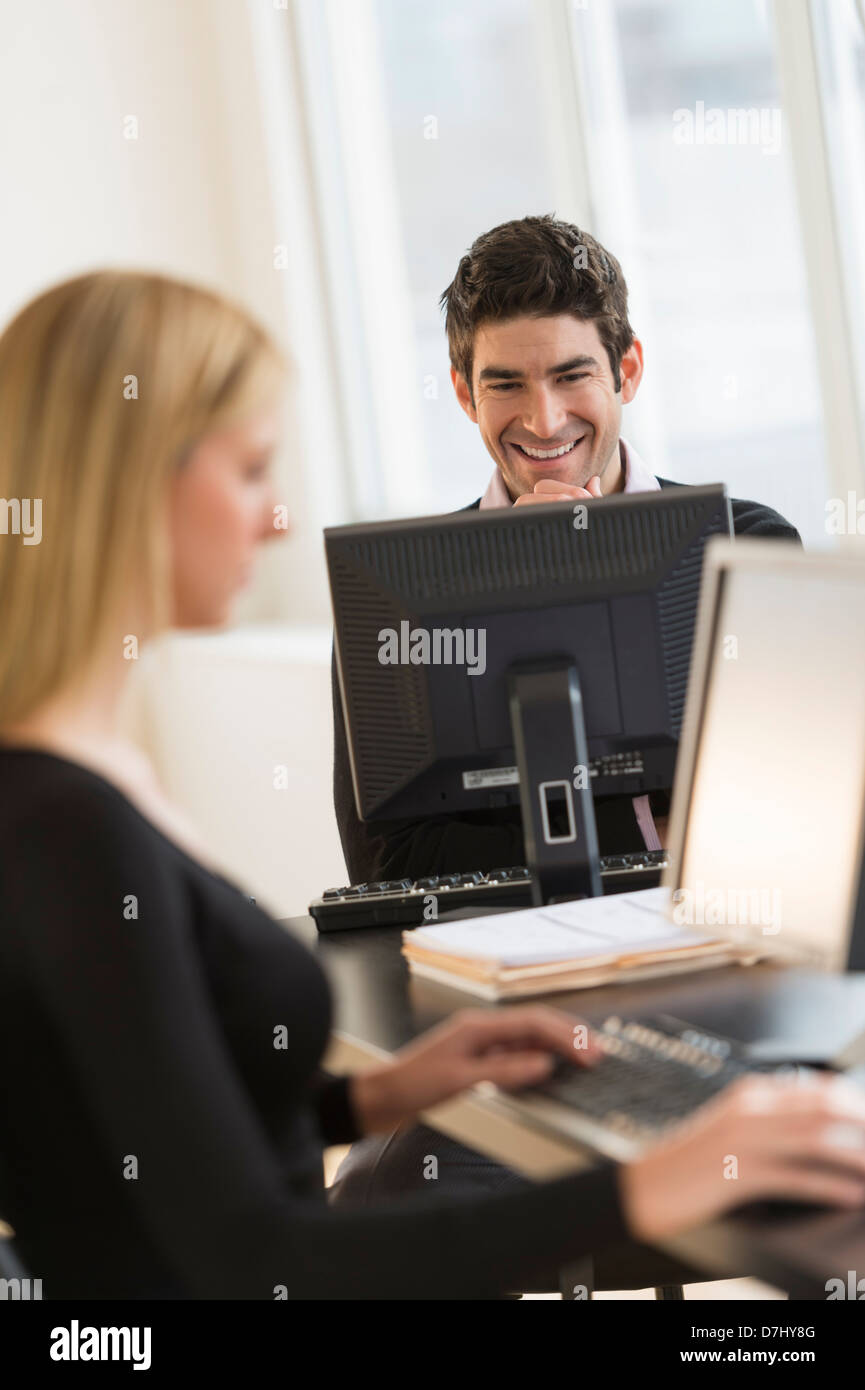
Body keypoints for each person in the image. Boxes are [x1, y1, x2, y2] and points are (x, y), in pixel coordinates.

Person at [1, 271, 863, 1302]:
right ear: (132, 480)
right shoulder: (64, 824)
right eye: (250, 470)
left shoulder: (82, 776)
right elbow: (261, 1259)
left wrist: (381, 1090)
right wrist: (650, 1182)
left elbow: (147, 1146)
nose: (277, 521)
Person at [332, 214, 801, 889]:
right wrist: (653, 832)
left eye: (570, 375)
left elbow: (786, 804)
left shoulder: (747, 550)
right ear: (464, 392)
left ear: (626, 370)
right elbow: (388, 865)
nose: (543, 420)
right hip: (503, 977)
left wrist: (504, 838)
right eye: (504, 384)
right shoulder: (391, 594)